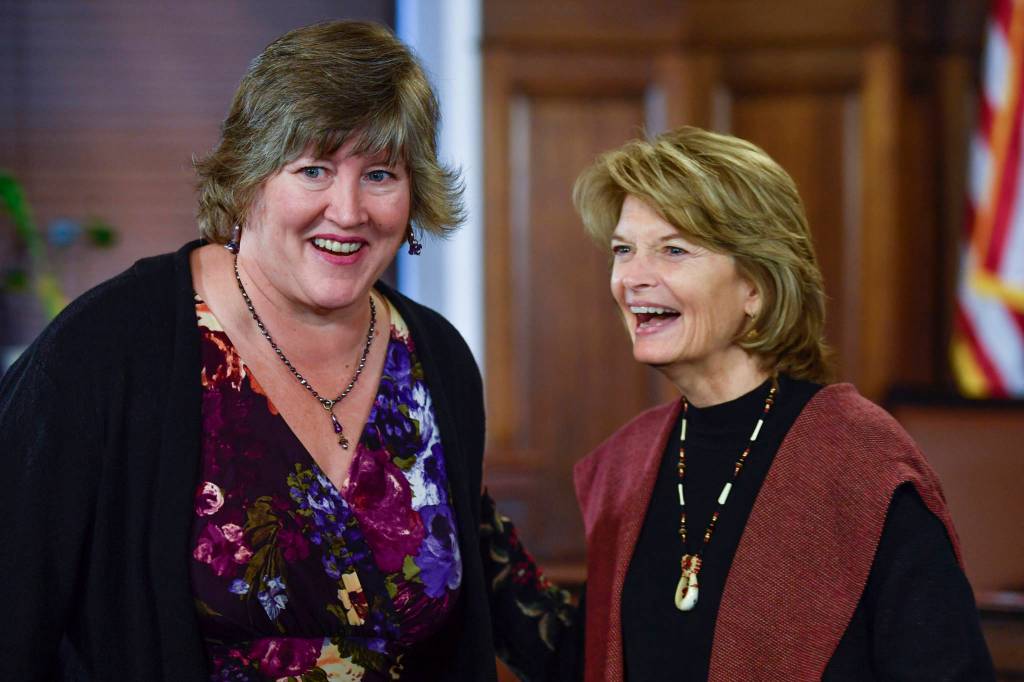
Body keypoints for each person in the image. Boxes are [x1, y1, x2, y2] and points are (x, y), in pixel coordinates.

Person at [0, 20, 508, 681]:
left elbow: (490, 591)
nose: (348, 211)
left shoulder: (436, 358)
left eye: (380, 174)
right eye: (314, 170)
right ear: (248, 181)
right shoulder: (107, 349)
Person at [563, 126, 995, 681]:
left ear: (757, 287)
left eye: (673, 250)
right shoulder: (625, 465)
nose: (632, 279)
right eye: (624, 250)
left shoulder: (863, 462)